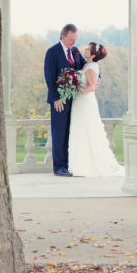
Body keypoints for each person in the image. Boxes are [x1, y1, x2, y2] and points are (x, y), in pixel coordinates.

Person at [68, 42, 125, 178]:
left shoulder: (92, 66)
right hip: (80, 101)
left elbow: (92, 86)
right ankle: (79, 163)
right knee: (80, 129)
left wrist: (77, 89)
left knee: (86, 129)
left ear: (93, 55)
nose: (86, 50)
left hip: (85, 101)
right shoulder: (88, 65)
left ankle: (87, 165)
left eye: (88, 49)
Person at [44, 23, 82, 176]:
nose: (73, 42)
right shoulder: (52, 52)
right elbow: (49, 77)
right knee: (59, 133)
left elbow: (84, 67)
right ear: (63, 36)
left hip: (74, 99)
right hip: (59, 101)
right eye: (71, 39)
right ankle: (59, 167)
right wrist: (55, 99)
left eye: (75, 39)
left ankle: (67, 165)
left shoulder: (75, 51)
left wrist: (96, 74)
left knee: (70, 133)